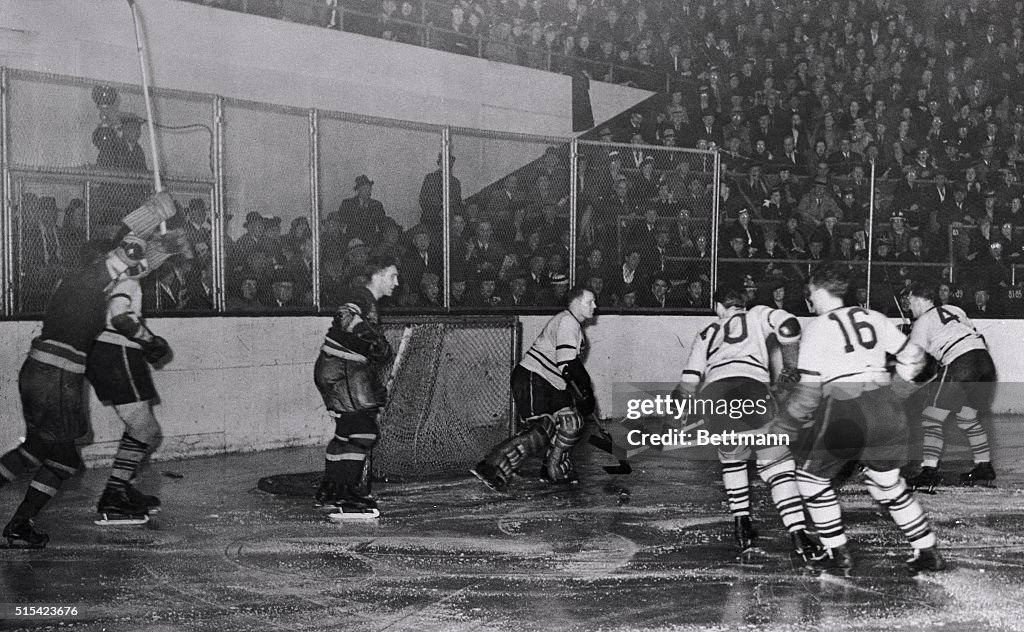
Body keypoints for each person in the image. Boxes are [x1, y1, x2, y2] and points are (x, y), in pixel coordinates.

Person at [785, 264, 946, 575]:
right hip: (886, 406)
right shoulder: (874, 317)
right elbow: (919, 361)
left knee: (810, 481)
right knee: (886, 484)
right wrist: (896, 394)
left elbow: (808, 394)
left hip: (847, 407)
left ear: (819, 291)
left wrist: (787, 425)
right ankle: (927, 549)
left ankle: (837, 553)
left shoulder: (818, 328)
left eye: (810, 295)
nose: (810, 301)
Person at [0, 238, 135, 546]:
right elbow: (120, 260)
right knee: (64, 460)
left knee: (33, 449)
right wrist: (141, 240)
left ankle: (20, 526)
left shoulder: (74, 284)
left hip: (39, 369)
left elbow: (128, 266)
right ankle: (19, 526)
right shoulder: (88, 280)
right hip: (57, 376)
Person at [677, 286, 823, 563]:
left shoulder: (707, 332)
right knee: (777, 465)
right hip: (751, 389)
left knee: (733, 459)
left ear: (718, 307)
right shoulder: (756, 314)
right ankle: (799, 536)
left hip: (715, 394)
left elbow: (688, 382)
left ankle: (742, 523)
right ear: (744, 303)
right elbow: (790, 326)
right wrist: (790, 367)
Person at [472, 287, 598, 491]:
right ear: (575, 303)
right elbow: (567, 363)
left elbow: (565, 370)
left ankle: (553, 468)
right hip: (533, 377)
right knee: (542, 428)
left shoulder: (573, 325)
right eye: (589, 301)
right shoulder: (568, 321)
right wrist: (586, 390)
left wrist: (580, 395)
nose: (595, 306)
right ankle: (491, 467)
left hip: (551, 382)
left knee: (571, 422)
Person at [87, 233, 174, 524]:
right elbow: (120, 317)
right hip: (117, 352)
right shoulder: (128, 280)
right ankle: (114, 495)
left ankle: (121, 488)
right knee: (145, 429)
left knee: (144, 427)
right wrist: (150, 340)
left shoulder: (117, 277)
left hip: (112, 353)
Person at [313, 255, 399, 516]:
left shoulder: (368, 300)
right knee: (364, 430)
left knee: (346, 431)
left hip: (340, 369)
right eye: (392, 276)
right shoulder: (362, 296)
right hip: (342, 369)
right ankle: (348, 495)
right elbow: (344, 315)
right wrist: (372, 337)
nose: (397, 282)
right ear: (378, 275)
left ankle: (331, 490)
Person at [905, 283, 997, 491]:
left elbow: (916, 361)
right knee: (967, 417)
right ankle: (984, 466)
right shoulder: (955, 309)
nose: (909, 307)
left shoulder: (922, 322)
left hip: (962, 363)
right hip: (984, 362)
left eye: (910, 302)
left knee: (931, 418)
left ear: (919, 300)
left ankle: (928, 472)